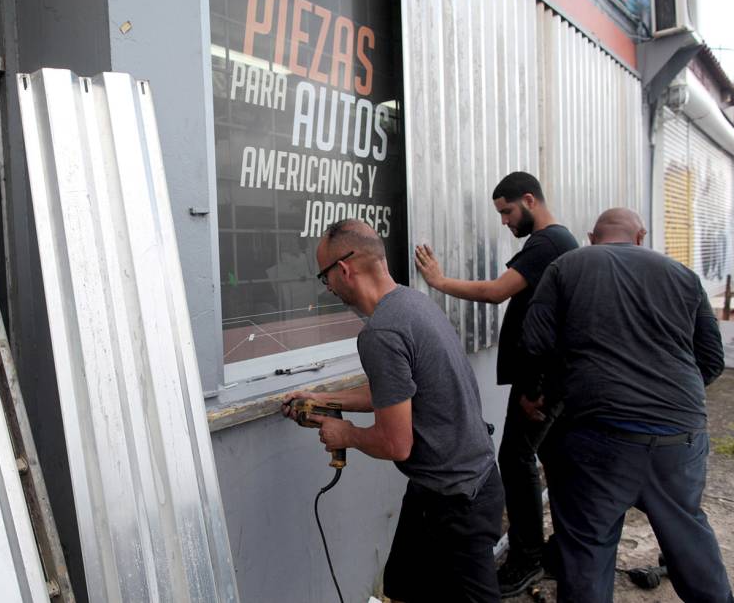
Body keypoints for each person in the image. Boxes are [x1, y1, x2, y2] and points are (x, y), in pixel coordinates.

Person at [283, 218, 503, 602]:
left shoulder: (380, 333)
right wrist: (322, 398)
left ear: (345, 270)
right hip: (449, 486)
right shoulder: (413, 303)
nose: (328, 287)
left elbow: (396, 444)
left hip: (456, 502)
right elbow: (393, 391)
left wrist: (344, 434)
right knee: (402, 587)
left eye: (325, 277)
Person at [522, 208, 733, 603]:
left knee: (588, 546)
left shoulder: (567, 267)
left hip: (599, 439)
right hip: (680, 438)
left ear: (591, 236)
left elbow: (536, 343)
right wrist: (674, 399)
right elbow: (711, 359)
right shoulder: (683, 275)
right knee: (687, 533)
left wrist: (540, 394)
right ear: (641, 236)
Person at [414, 171, 578, 595]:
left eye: (507, 211)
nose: (504, 221)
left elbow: (495, 291)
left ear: (529, 199)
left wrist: (438, 282)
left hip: (539, 381)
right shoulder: (556, 243)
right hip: (544, 378)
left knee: (516, 459)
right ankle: (563, 551)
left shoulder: (548, 243)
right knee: (551, 461)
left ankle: (527, 558)